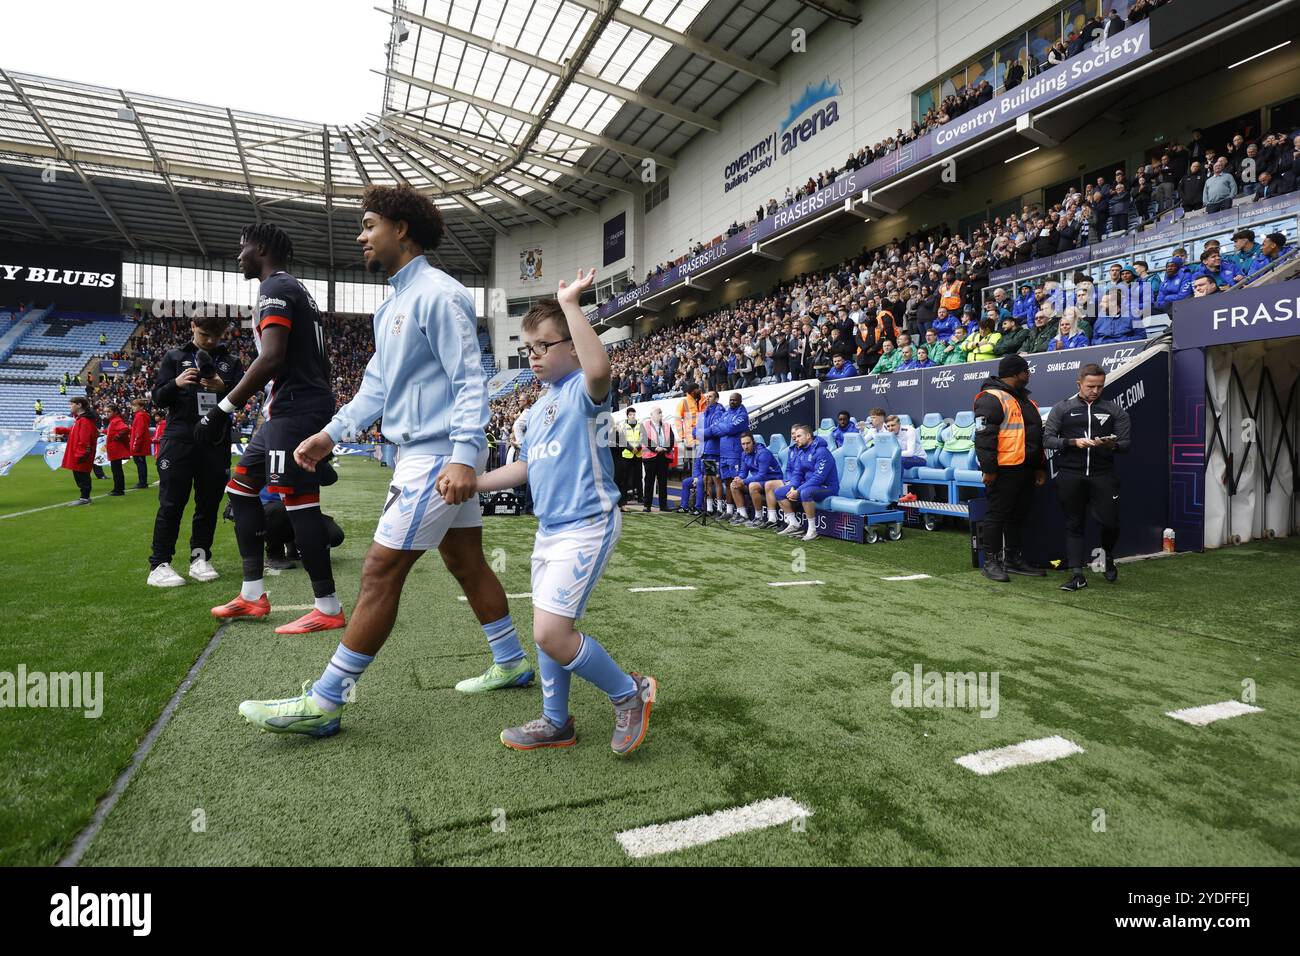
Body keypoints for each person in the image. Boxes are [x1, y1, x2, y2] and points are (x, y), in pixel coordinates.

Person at [475, 271, 657, 754]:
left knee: (551, 632)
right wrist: (474, 484)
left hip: (589, 524)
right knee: (549, 629)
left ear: (571, 346)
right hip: (550, 530)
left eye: (542, 346)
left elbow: (600, 370)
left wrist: (570, 305)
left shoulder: (582, 388)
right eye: (527, 347)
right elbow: (526, 469)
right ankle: (556, 721)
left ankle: (628, 694)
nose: (532, 355)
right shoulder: (536, 409)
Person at [146, 315, 244, 588]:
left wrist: (224, 389)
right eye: (204, 335)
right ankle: (159, 565)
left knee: (208, 504)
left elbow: (244, 399)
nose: (211, 341)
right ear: (192, 327)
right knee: (171, 502)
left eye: (216, 336)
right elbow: (157, 398)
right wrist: (176, 383)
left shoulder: (231, 362)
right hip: (179, 440)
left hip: (215, 442)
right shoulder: (174, 356)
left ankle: (199, 558)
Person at [1043, 363, 1131, 591]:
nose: (1095, 390)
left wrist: (1112, 444)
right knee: (1074, 523)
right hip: (1070, 474)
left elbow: (1126, 445)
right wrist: (1073, 442)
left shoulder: (1114, 410)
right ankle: (1077, 575)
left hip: (1103, 475)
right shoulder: (1062, 408)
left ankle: (1106, 556)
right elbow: (1047, 439)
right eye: (1091, 386)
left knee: (1110, 522)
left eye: (1100, 386)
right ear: (1079, 383)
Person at [973, 354, 1046, 582]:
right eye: (1026, 371)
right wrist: (989, 469)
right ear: (1016, 373)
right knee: (997, 515)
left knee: (1018, 515)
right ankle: (991, 562)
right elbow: (984, 437)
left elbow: (1035, 437)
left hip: (1025, 467)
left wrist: (1039, 467)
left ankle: (1013, 559)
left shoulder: (1024, 399)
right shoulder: (991, 398)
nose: (1029, 374)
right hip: (1004, 469)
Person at [776, 424, 837, 542]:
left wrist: (797, 491)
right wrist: (793, 487)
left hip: (827, 487)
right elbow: (797, 474)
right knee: (779, 492)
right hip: (809, 485)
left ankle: (812, 530)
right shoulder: (802, 452)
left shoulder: (822, 452)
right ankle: (794, 524)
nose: (796, 439)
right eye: (795, 436)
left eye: (799, 436)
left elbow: (818, 478)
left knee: (805, 492)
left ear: (808, 436)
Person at [735, 431, 785, 528]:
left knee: (752, 485)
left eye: (748, 443)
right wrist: (738, 478)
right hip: (761, 481)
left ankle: (759, 517)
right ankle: (743, 515)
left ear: (753, 442)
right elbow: (743, 472)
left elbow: (762, 475)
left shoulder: (763, 453)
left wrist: (744, 481)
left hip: (773, 479)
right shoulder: (744, 454)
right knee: (734, 485)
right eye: (743, 444)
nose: (746, 446)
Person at [53, 397, 97, 505]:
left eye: (72, 404)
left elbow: (84, 439)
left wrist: (81, 454)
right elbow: (76, 431)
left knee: (82, 474)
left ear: (79, 405)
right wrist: (61, 430)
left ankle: (85, 498)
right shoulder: (80, 419)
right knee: (79, 474)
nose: (70, 406)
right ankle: (84, 497)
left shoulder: (84, 420)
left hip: (81, 453)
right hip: (79, 452)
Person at [639, 406, 675, 512]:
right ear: (652, 415)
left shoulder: (667, 425)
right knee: (649, 481)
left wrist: (665, 448)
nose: (660, 414)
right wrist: (656, 448)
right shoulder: (645, 425)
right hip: (650, 457)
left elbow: (671, 439)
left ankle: (663, 506)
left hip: (663, 456)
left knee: (663, 482)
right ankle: (647, 505)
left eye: (661, 413)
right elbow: (644, 439)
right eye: (658, 413)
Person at [616, 406, 642, 511]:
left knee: (638, 476)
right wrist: (631, 448)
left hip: (638, 454)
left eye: (634, 414)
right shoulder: (623, 425)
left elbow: (642, 438)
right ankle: (624, 499)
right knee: (625, 478)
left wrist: (638, 448)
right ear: (627, 415)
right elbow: (623, 440)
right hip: (627, 454)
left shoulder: (640, 425)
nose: (633, 416)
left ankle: (640, 497)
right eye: (631, 414)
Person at [103, 404, 131, 496]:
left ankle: (118, 490)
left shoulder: (116, 420)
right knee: (116, 470)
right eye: (105, 412)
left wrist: (117, 437)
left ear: (115, 412)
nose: (106, 414)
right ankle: (118, 488)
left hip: (116, 450)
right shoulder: (113, 421)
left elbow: (125, 428)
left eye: (109, 412)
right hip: (114, 450)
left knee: (116, 470)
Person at [128, 398, 151, 488]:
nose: (133, 407)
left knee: (140, 464)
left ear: (141, 407)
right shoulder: (141, 415)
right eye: (132, 405)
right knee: (141, 463)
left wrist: (135, 445)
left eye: (135, 405)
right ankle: (142, 482)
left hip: (139, 445)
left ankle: (142, 482)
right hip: (140, 444)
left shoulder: (140, 416)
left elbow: (139, 432)